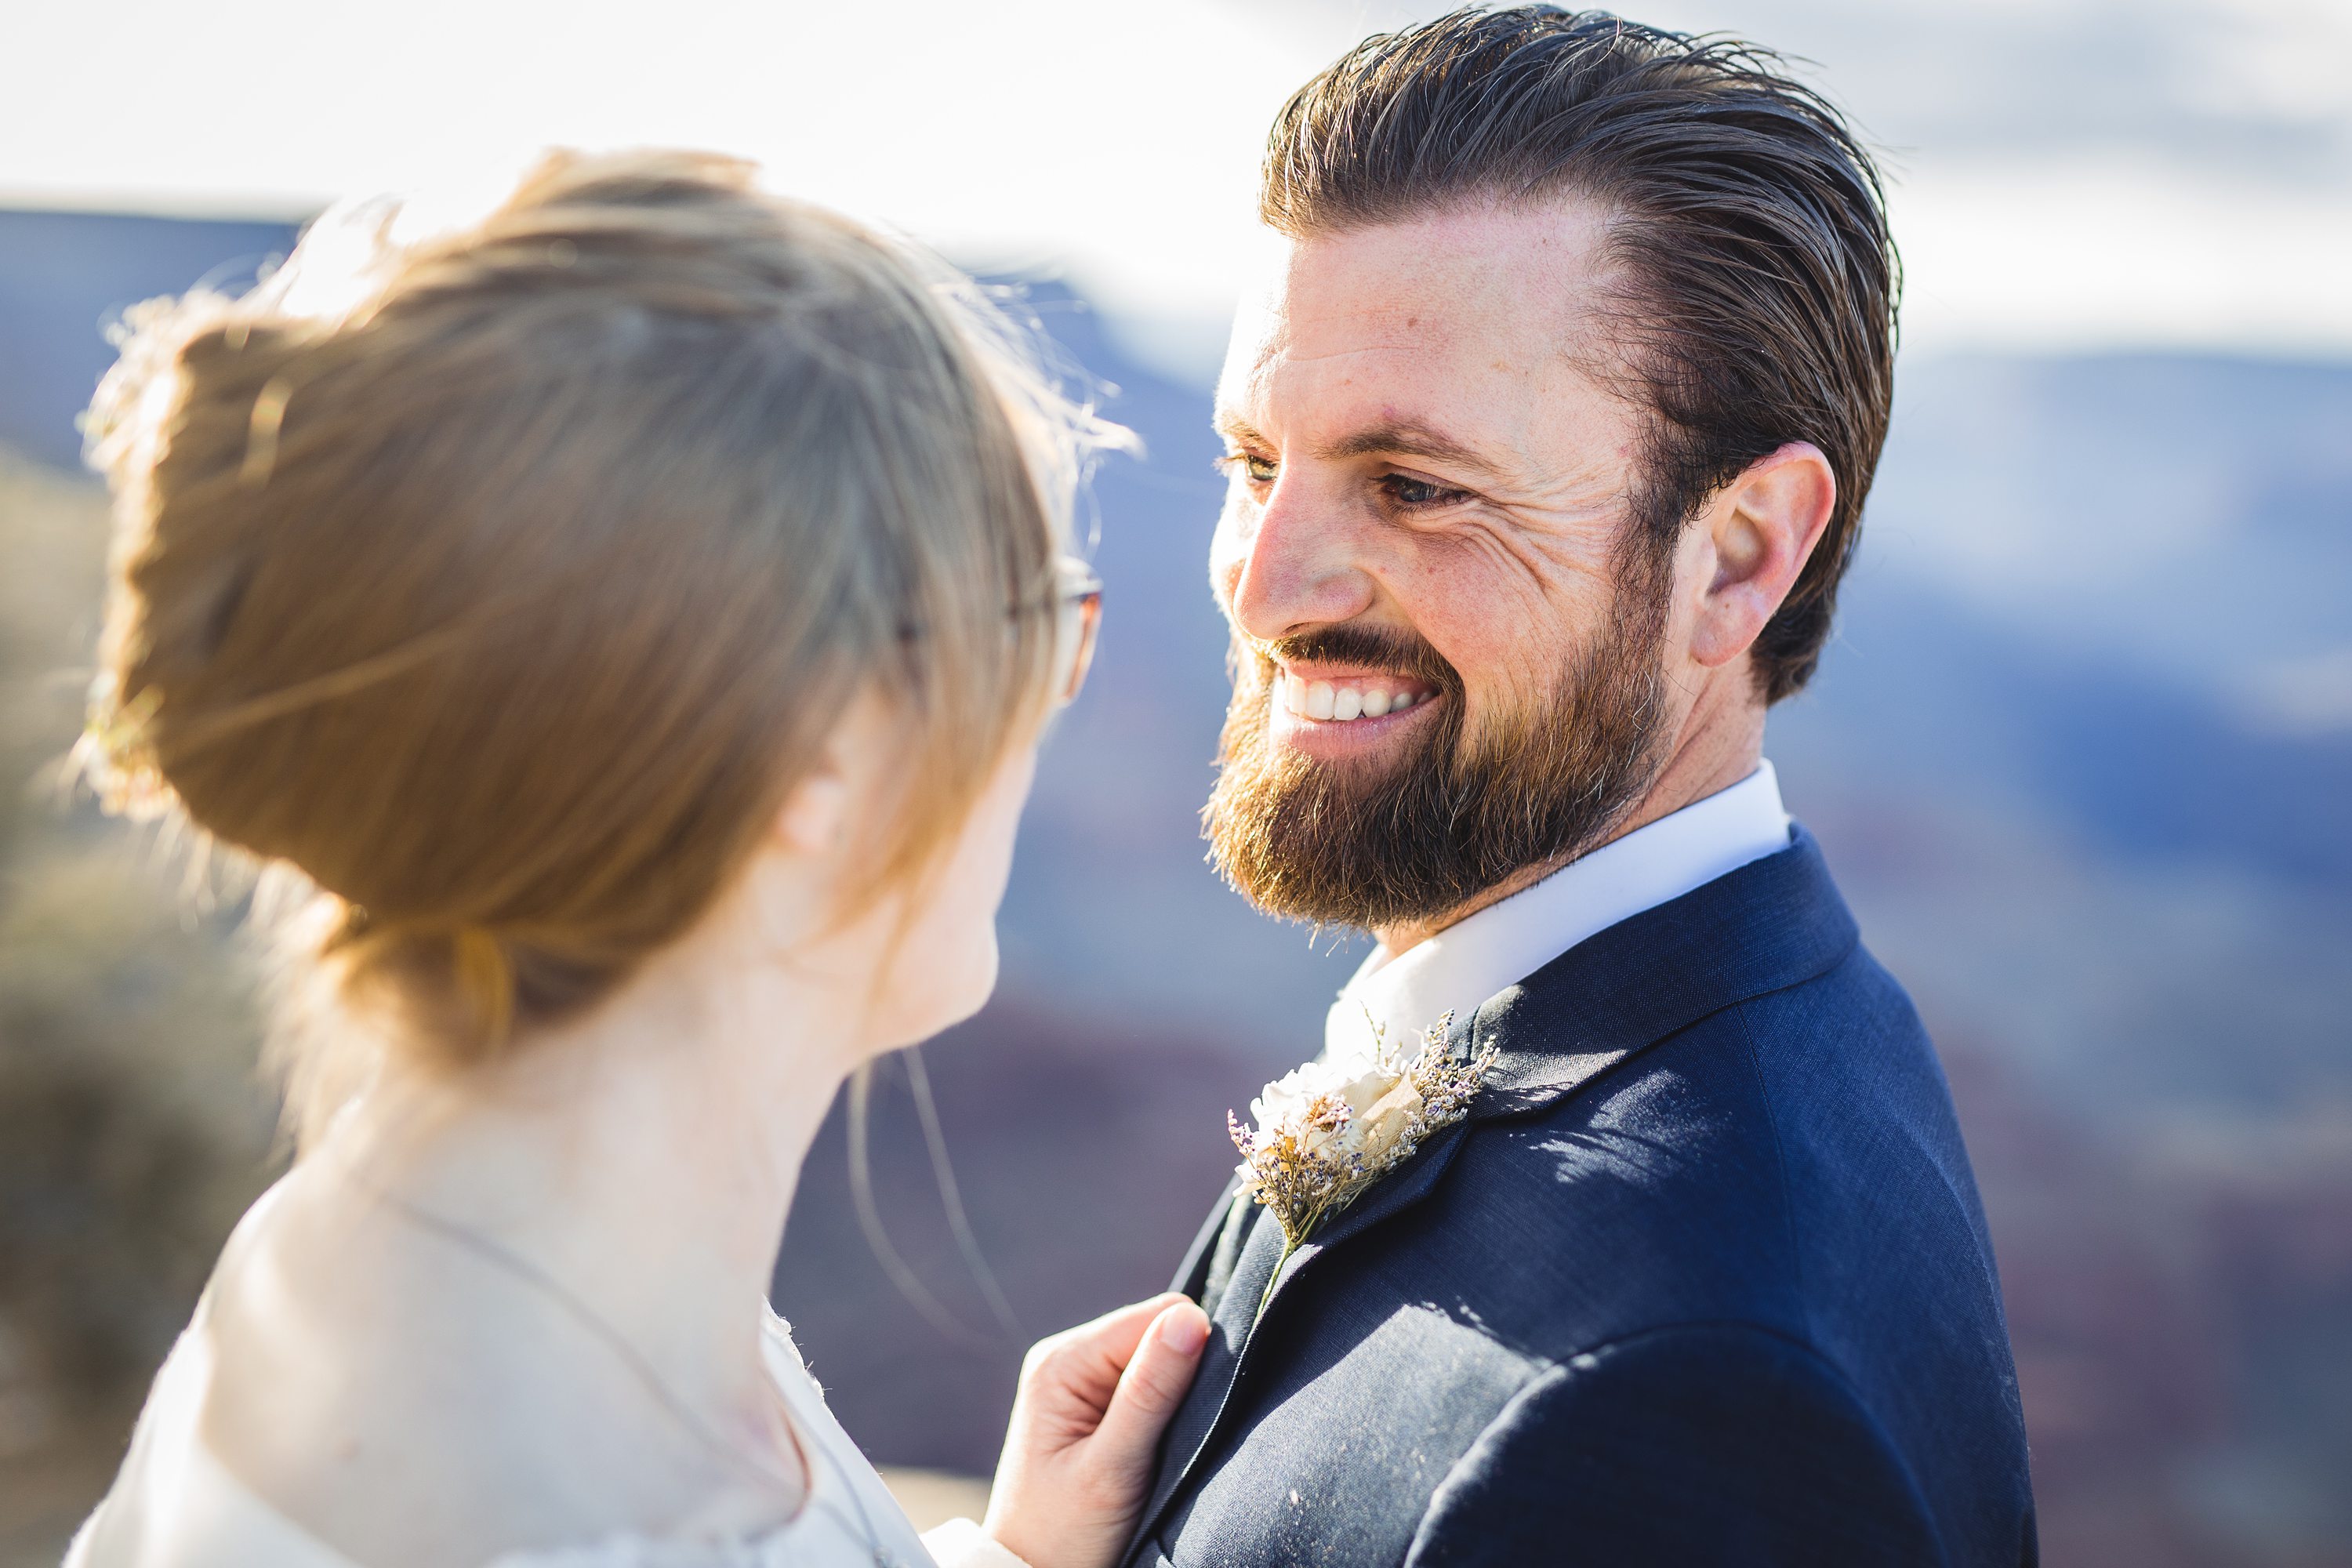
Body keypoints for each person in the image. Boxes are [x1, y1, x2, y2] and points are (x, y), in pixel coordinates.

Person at [63, 150, 1210, 1568]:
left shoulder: (410, 1261)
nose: (1053, 712)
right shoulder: (612, 1510)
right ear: (829, 746)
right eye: (1038, 626)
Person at [1133, 9, 2035, 1566]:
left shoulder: (1682, 1407)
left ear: (1736, 556)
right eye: (1253, 462)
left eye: (1419, 487)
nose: (1265, 587)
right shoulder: (1698, 1005)